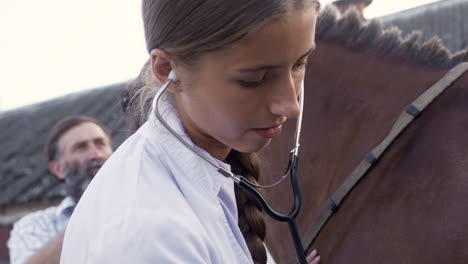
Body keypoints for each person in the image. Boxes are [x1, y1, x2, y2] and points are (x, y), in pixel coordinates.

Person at [61, 0, 321, 263]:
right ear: (167, 70)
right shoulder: (149, 236)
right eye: (253, 79)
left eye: (299, 64)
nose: (291, 105)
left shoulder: (208, 171)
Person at [7, 116, 113, 264]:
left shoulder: (144, 203)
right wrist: (92, 212)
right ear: (58, 169)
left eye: (100, 144)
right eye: (81, 147)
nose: (96, 154)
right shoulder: (34, 225)